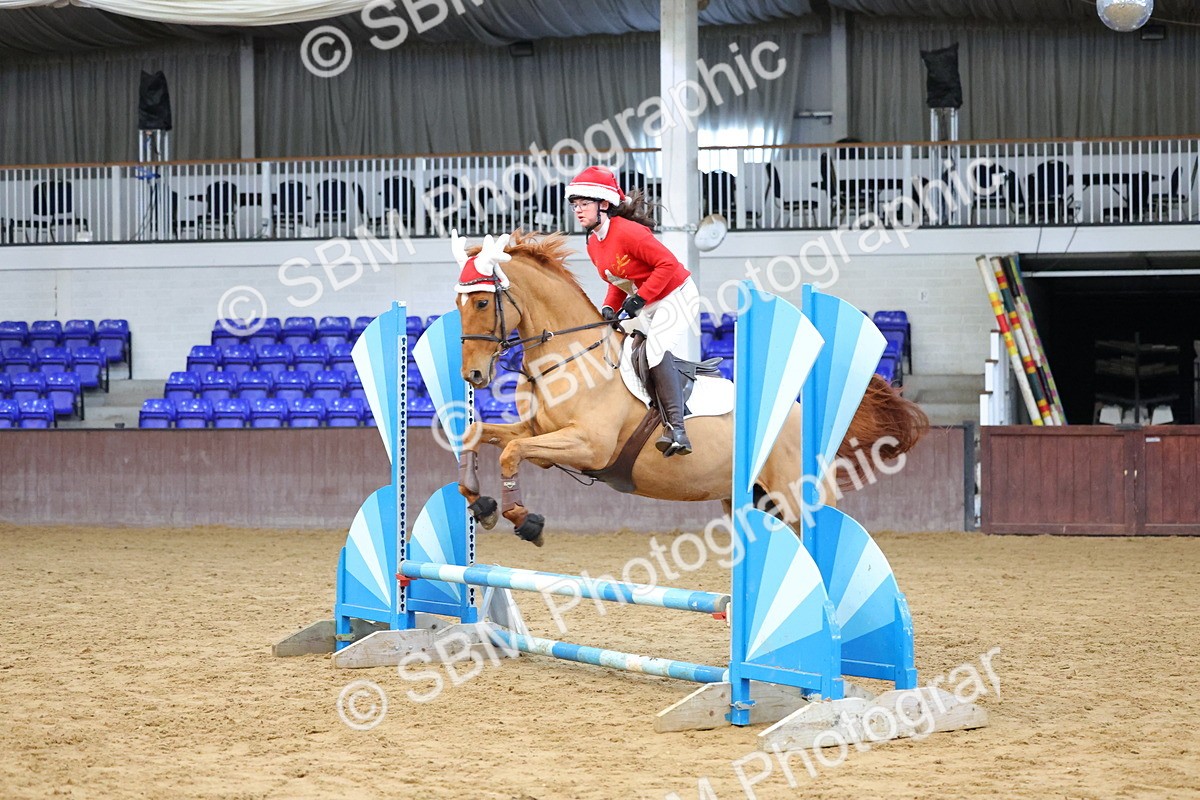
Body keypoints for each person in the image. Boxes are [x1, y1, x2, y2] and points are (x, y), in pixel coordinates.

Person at [565, 165, 700, 457]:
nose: (578, 211)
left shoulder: (629, 232)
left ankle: (677, 429)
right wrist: (608, 307)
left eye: (584, 204)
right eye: (575, 205)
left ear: (604, 204)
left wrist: (640, 298)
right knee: (616, 349)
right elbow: (616, 280)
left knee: (653, 350)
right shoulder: (593, 244)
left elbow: (668, 265)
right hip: (649, 300)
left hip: (677, 295)